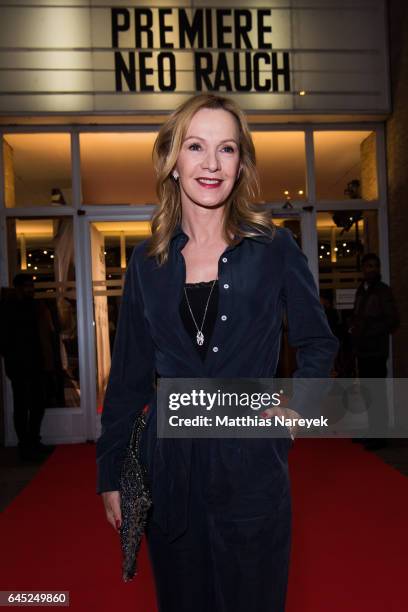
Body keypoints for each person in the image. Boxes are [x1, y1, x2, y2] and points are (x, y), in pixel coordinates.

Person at [96, 93, 339, 612]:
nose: (211, 163)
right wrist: (111, 474)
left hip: (252, 468)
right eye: (196, 146)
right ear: (173, 162)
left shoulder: (273, 248)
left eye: (226, 149)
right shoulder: (147, 262)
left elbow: (318, 341)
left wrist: (297, 405)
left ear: (241, 164)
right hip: (170, 477)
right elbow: (128, 380)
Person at [0, 273, 55, 461]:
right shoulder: (9, 308)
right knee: (23, 406)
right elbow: (5, 339)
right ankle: (25, 445)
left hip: (36, 364)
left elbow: (44, 336)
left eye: (32, 286)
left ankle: (32, 440)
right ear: (17, 288)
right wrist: (11, 358)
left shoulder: (35, 307)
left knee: (37, 404)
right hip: (20, 365)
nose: (30, 289)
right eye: (26, 286)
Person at [349, 253, 399, 450]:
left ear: (378, 269)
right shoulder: (362, 290)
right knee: (369, 393)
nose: (370, 269)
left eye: (374, 266)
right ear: (362, 269)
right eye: (367, 266)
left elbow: (392, 321)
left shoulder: (382, 291)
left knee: (377, 393)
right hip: (363, 350)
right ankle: (372, 431)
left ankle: (380, 435)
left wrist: (368, 332)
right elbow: (358, 316)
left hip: (376, 350)